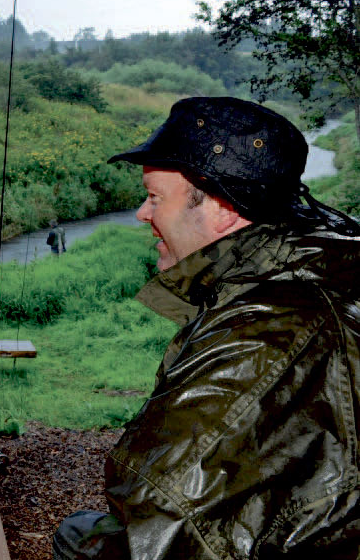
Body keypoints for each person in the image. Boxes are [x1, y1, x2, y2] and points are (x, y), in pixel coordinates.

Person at [53, 96, 360, 559]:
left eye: (155, 196)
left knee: (77, 535)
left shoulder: (259, 334)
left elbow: (162, 519)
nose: (142, 213)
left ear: (221, 207)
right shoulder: (325, 266)